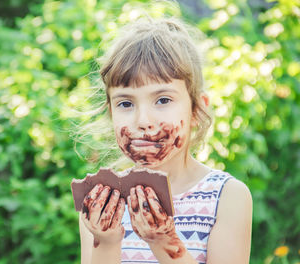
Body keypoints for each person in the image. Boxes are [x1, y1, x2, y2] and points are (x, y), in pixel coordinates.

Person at [77, 15, 252, 264]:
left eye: (163, 100)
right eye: (125, 103)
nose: (143, 120)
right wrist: (106, 242)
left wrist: (164, 242)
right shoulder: (101, 202)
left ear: (196, 111)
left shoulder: (227, 197)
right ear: (111, 114)